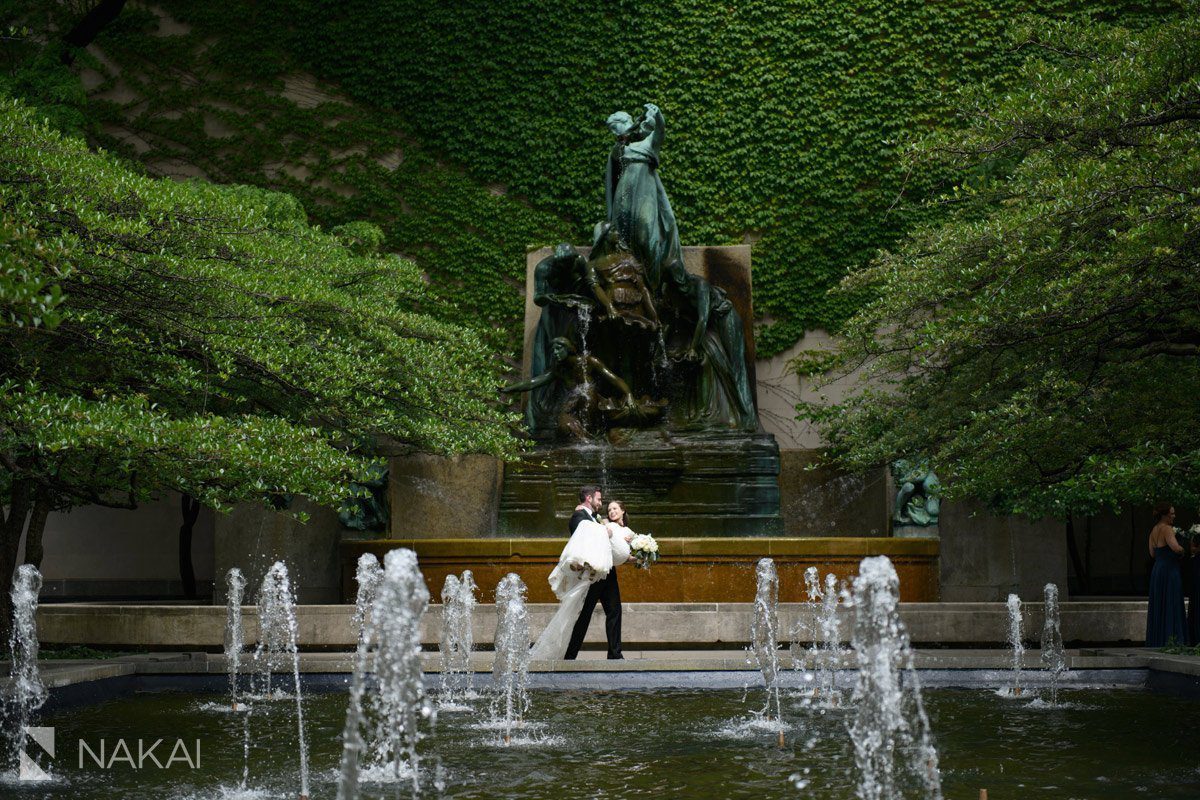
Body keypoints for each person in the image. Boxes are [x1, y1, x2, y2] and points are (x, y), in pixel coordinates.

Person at [1145, 502, 1186, 647]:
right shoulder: (1167, 529)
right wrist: (1183, 547)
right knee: (1171, 601)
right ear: (1165, 515)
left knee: (1160, 602)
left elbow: (1152, 553)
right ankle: (1172, 640)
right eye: (1172, 513)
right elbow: (1175, 548)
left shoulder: (1153, 530)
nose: (1174, 516)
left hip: (1158, 570)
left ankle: (1158, 639)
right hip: (1169, 571)